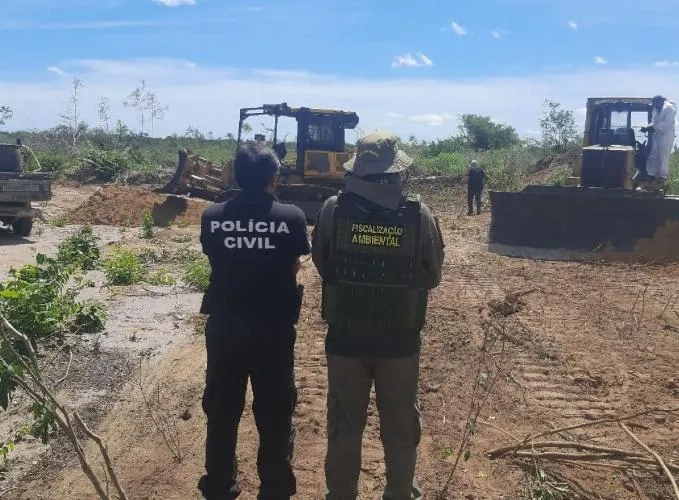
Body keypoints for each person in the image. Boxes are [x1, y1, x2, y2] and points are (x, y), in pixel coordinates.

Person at [311, 131, 445, 500]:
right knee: (401, 429)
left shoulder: (332, 209)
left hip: (345, 341)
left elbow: (324, 264)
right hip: (399, 345)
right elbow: (432, 275)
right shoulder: (418, 214)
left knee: (344, 426)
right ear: (397, 171)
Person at [197, 141, 311, 499]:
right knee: (275, 413)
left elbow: (216, 259)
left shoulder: (212, 217)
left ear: (235, 174)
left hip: (226, 328)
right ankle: (275, 488)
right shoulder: (291, 217)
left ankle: (219, 486)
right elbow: (294, 266)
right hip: (273, 330)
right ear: (273, 178)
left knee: (222, 411)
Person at [641, 95, 677, 182]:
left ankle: (663, 176)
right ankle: (651, 174)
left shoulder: (669, 108)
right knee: (653, 154)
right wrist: (648, 127)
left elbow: (668, 123)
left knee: (663, 154)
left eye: (655, 103)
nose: (654, 105)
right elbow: (653, 121)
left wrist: (654, 127)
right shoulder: (656, 109)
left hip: (666, 134)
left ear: (661, 101)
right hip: (657, 134)